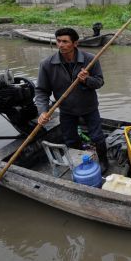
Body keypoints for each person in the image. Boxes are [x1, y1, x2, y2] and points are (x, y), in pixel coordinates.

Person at [34, 28, 108, 173]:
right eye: (58, 41)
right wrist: (42, 112)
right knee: (70, 139)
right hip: (66, 109)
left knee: (97, 137)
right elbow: (42, 91)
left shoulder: (89, 59)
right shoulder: (47, 64)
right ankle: (80, 160)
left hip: (89, 107)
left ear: (75, 43)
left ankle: (104, 161)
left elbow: (99, 83)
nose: (61, 45)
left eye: (65, 41)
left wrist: (87, 79)